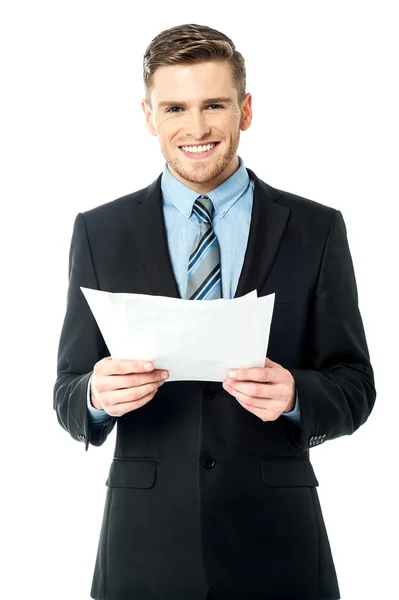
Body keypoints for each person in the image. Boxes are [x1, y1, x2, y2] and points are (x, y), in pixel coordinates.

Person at [53, 23, 376, 600]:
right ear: (149, 116)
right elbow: (68, 389)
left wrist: (297, 395)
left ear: (245, 110)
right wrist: (96, 398)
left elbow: (355, 385)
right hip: (144, 544)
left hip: (279, 543)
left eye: (214, 105)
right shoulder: (99, 231)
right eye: (175, 106)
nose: (196, 127)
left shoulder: (316, 228)